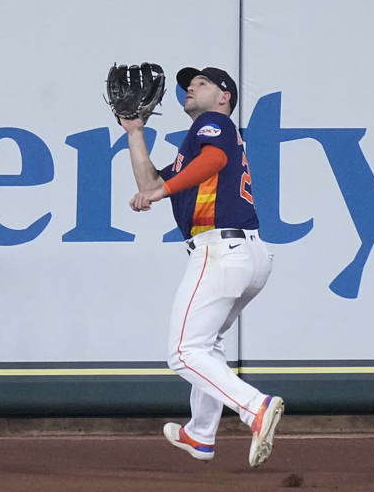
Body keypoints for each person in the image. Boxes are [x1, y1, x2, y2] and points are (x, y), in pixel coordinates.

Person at [118, 66, 284, 468]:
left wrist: (163, 191)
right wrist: (134, 132)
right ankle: (201, 433)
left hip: (221, 249)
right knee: (206, 347)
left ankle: (254, 408)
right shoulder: (192, 144)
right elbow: (149, 181)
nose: (190, 87)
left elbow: (213, 159)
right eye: (189, 84)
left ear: (224, 96)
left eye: (203, 83)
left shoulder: (214, 125)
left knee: (182, 352)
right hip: (248, 254)